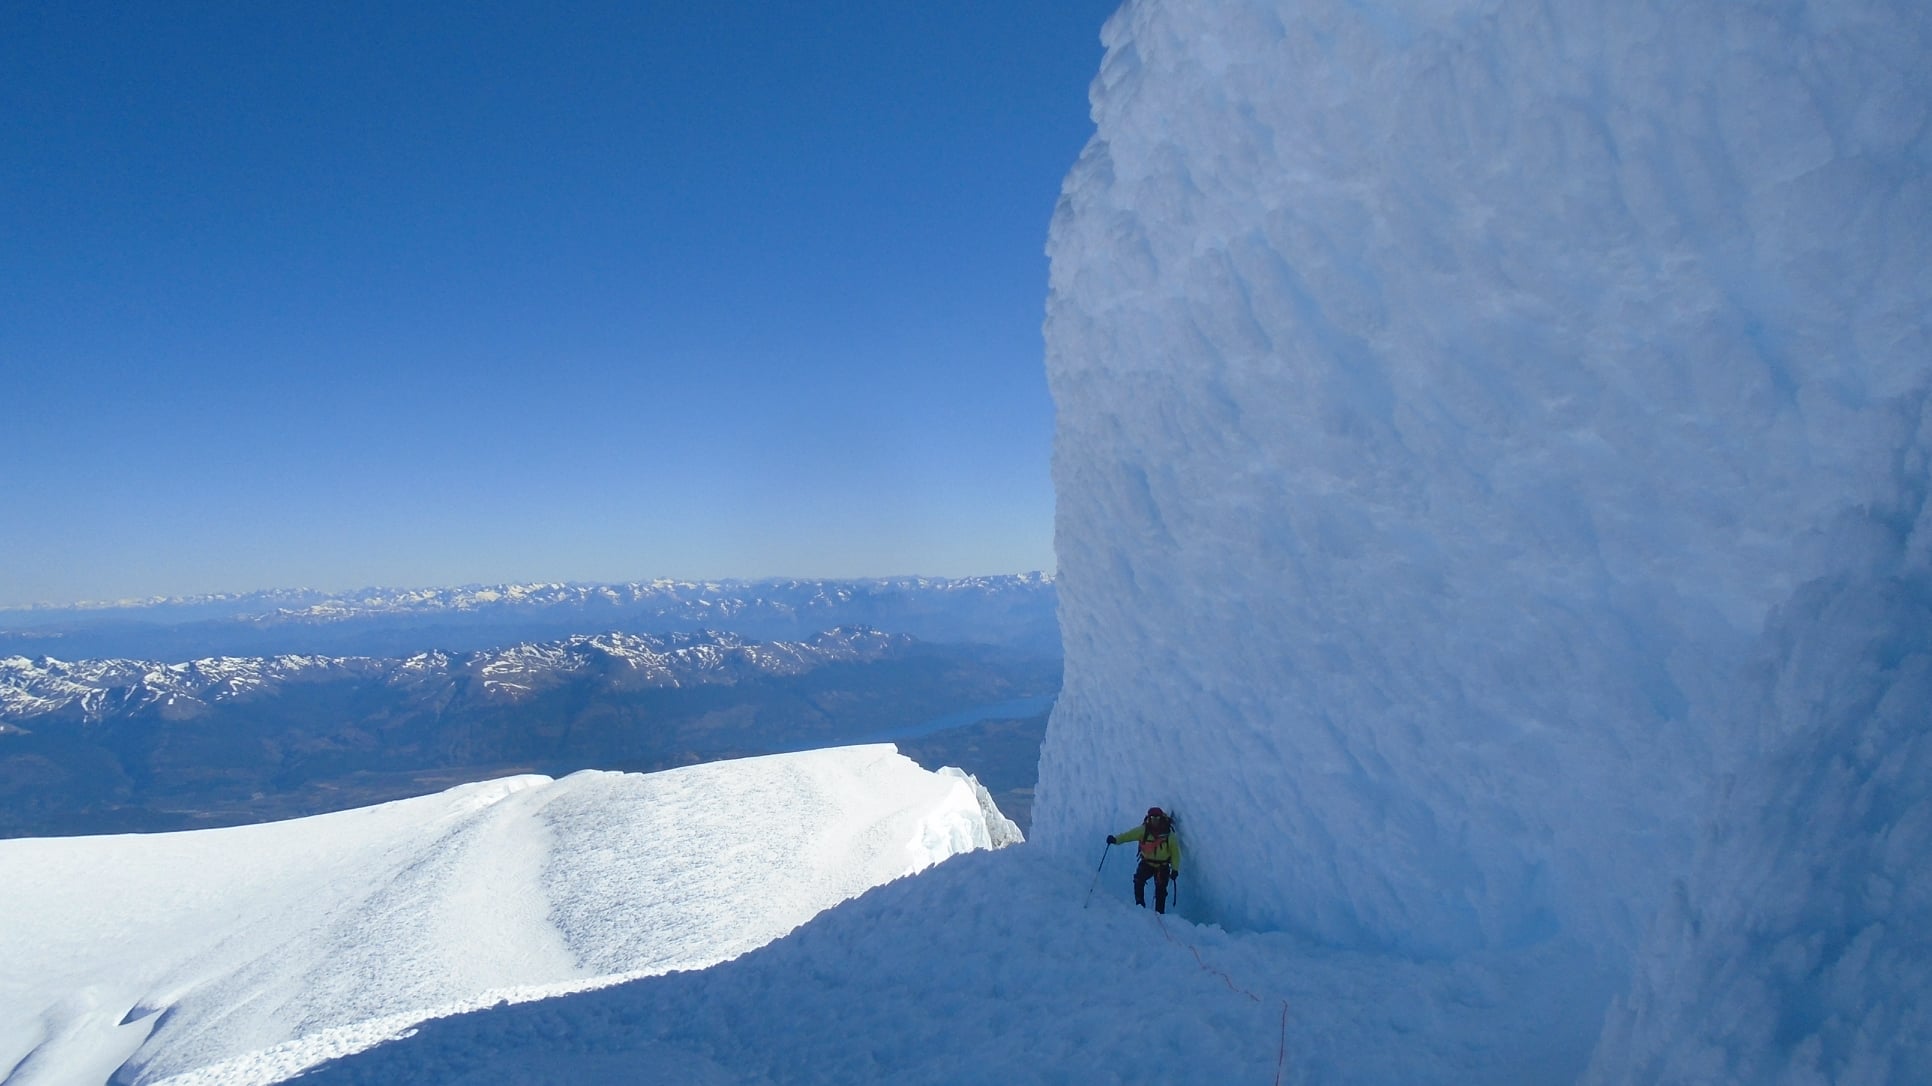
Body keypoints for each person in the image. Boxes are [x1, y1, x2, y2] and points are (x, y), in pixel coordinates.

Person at [1107, 806, 1180, 913]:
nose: (1155, 821)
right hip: (1148, 863)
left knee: (1160, 890)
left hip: (1162, 866)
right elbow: (1128, 836)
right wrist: (1115, 840)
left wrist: (1175, 869)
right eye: (1153, 818)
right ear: (1149, 818)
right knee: (1139, 880)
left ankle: (1159, 913)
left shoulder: (1169, 835)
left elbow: (1175, 853)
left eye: (1157, 818)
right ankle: (1140, 906)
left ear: (1161, 818)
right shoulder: (1144, 831)